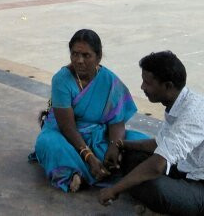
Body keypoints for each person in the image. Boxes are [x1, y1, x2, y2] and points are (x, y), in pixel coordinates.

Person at [98, 51, 204, 216]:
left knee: (154, 187)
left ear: (168, 86)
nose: (142, 87)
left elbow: (157, 166)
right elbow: (159, 144)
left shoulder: (192, 115)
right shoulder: (180, 102)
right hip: (194, 173)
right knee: (131, 158)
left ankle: (164, 208)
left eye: (147, 83)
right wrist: (120, 144)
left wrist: (114, 189)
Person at [31, 29, 149, 193]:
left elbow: (117, 122)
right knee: (49, 144)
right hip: (65, 135)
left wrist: (114, 148)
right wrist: (89, 156)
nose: (79, 60)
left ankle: (88, 172)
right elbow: (67, 127)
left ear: (98, 57)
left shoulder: (110, 81)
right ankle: (82, 172)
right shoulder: (61, 79)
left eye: (86, 55)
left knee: (141, 141)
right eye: (74, 54)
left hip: (99, 135)